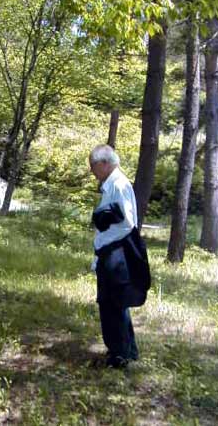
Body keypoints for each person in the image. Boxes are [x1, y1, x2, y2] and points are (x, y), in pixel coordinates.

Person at [89, 144, 149, 369]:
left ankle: (118, 356)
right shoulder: (111, 184)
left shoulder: (118, 184)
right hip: (111, 252)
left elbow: (126, 223)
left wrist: (101, 241)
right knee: (116, 302)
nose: (92, 171)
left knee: (111, 304)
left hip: (115, 253)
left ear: (104, 163)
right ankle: (127, 351)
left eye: (93, 166)